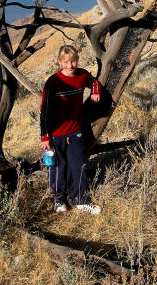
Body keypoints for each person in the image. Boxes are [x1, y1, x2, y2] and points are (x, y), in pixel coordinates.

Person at [40, 45, 102, 214]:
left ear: (77, 61)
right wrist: (44, 137)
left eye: (73, 61)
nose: (70, 65)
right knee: (58, 168)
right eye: (66, 62)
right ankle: (58, 200)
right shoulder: (53, 83)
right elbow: (44, 111)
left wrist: (95, 93)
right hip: (56, 135)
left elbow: (94, 82)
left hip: (76, 132)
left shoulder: (82, 75)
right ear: (60, 62)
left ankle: (80, 199)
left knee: (77, 166)